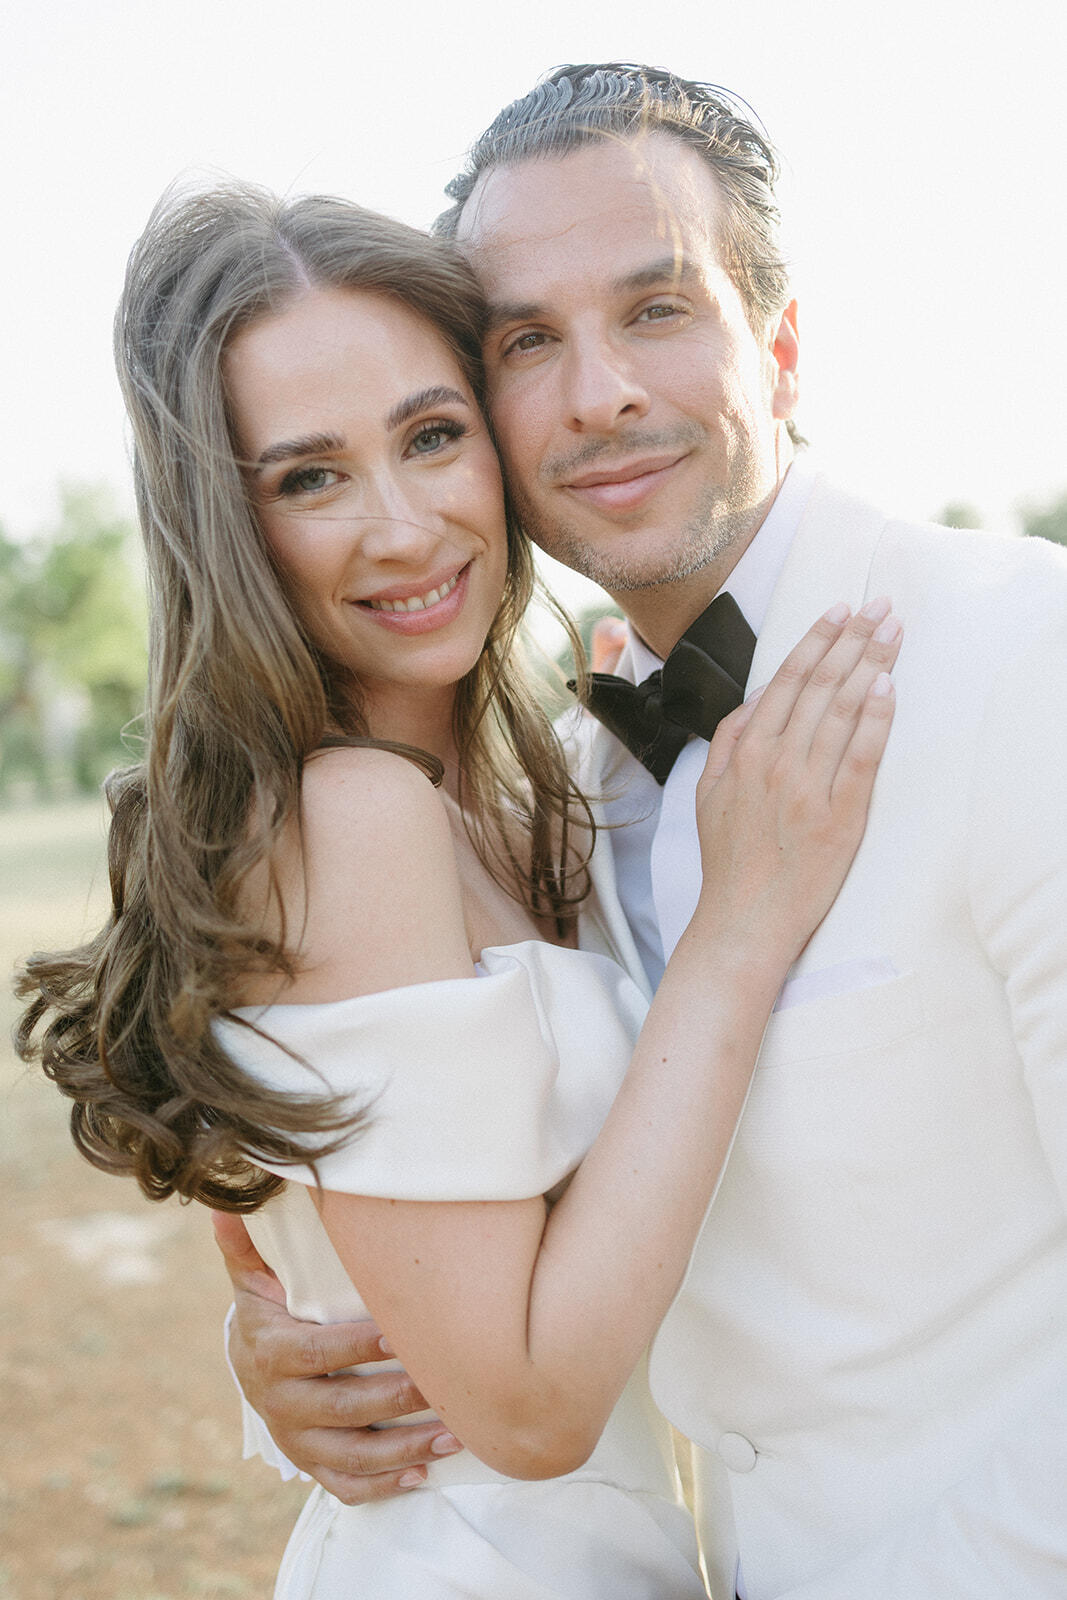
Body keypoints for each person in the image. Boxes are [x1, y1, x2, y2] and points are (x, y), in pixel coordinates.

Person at [223, 64, 1067, 1600]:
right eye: (527, 341)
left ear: (781, 347)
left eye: (657, 307)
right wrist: (302, 1349)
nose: (598, 392)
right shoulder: (564, 787)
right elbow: (503, 1199)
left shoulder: (1028, 665)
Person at [16, 183, 899, 1599]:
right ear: (227, 529)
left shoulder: (502, 800)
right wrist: (738, 932)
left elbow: (340, 1202)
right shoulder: (353, 815)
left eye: (431, 436)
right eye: (308, 478)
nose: (405, 527)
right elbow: (530, 1412)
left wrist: (280, 1323)